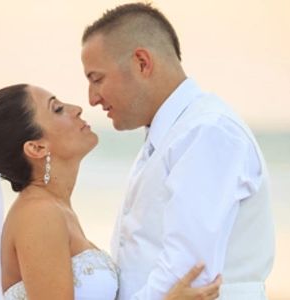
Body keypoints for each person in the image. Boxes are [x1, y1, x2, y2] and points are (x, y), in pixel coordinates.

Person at [0, 84, 221, 300]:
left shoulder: (54, 209)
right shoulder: (38, 215)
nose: (77, 109)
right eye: (58, 109)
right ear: (36, 147)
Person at [81, 2, 275, 300]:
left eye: (97, 79)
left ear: (142, 63)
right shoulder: (171, 134)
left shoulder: (206, 132)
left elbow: (188, 273)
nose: (92, 98)